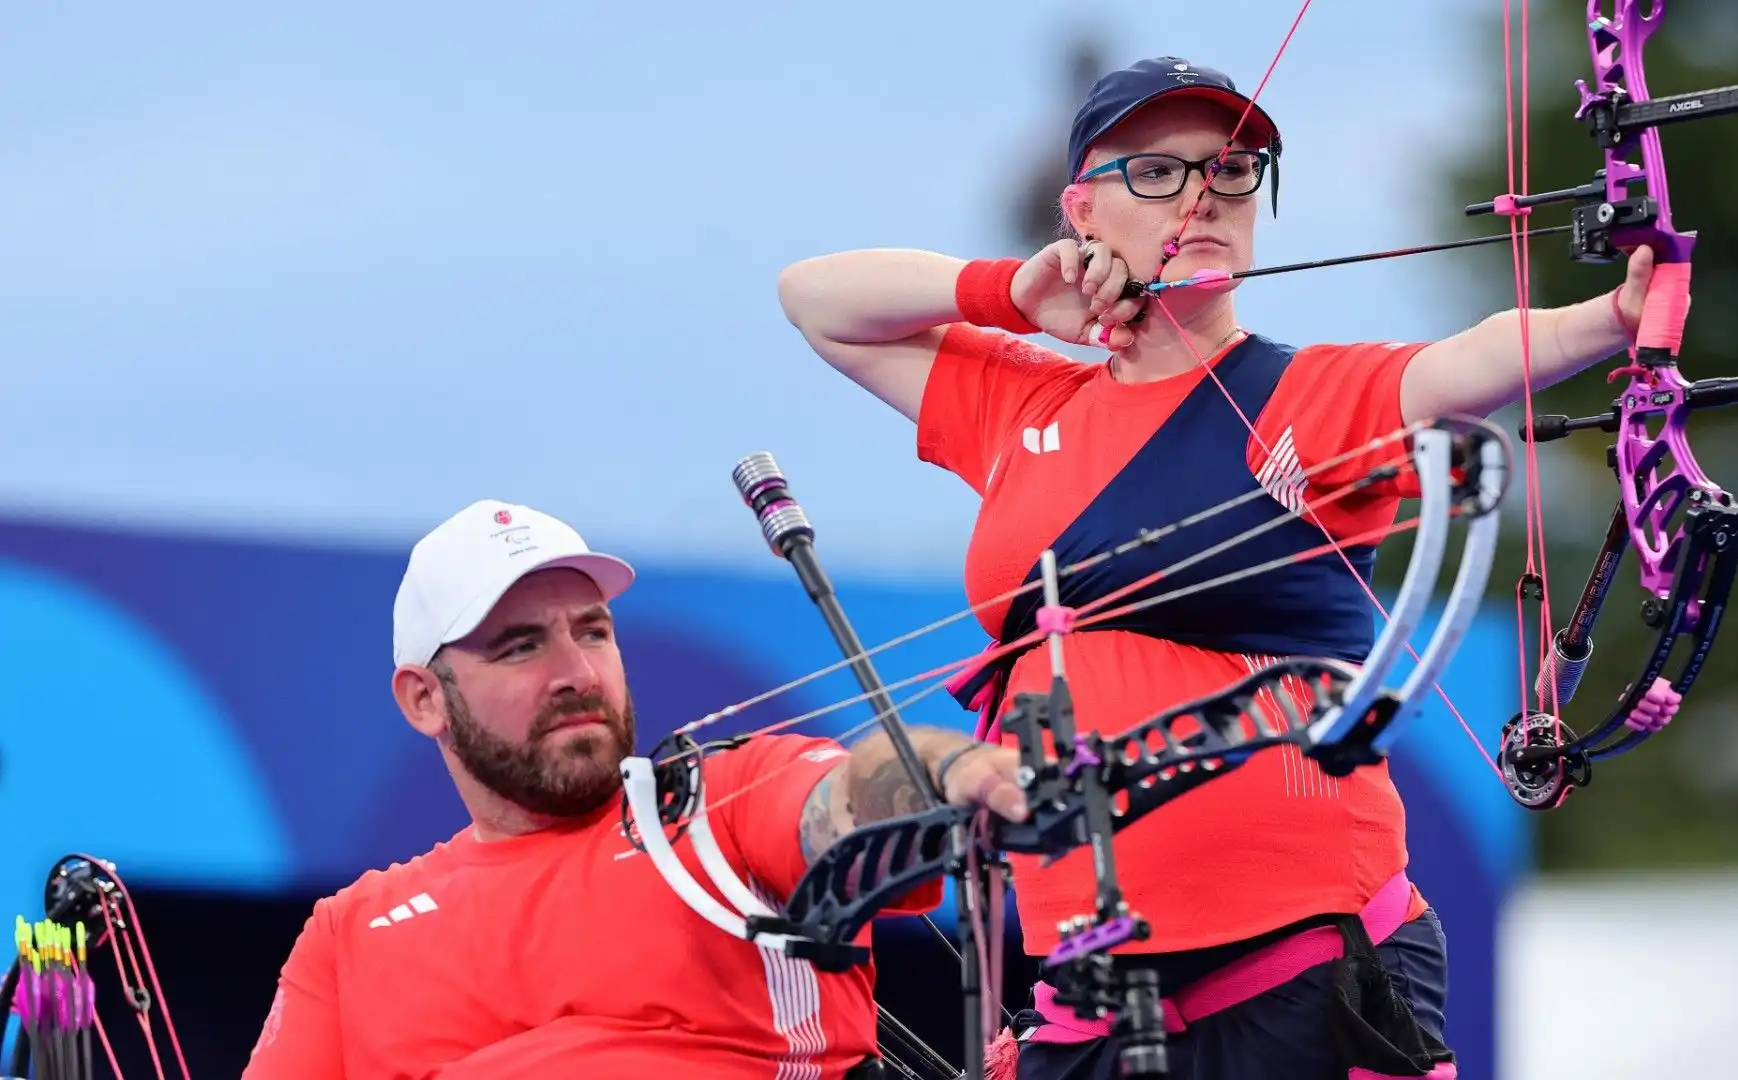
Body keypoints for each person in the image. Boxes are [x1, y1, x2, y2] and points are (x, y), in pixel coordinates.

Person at [777, 56, 1655, 1079]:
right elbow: (815, 299)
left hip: (1302, 977)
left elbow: (1462, 364)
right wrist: (1012, 292)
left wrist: (1615, 319)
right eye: (1156, 171)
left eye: (1233, 170)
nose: (1201, 196)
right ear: (1081, 209)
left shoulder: (1306, 400)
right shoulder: (1027, 408)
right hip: (1089, 992)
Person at [240, 498, 1029, 1080]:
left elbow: (853, 804)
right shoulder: (350, 935)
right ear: (424, 699)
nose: (577, 675)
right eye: (520, 648)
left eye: (592, 631)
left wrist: (943, 771)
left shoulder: (717, 803)